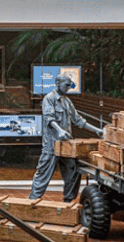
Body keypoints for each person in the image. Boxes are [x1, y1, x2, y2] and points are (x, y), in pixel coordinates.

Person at [28, 73, 103, 203]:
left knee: (73, 170)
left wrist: (97, 131)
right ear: (58, 84)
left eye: (70, 85)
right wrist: (60, 130)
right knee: (43, 173)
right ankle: (33, 200)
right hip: (52, 145)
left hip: (66, 146)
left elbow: (78, 120)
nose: (69, 87)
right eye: (66, 85)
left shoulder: (67, 101)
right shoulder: (49, 99)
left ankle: (68, 201)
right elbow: (49, 118)